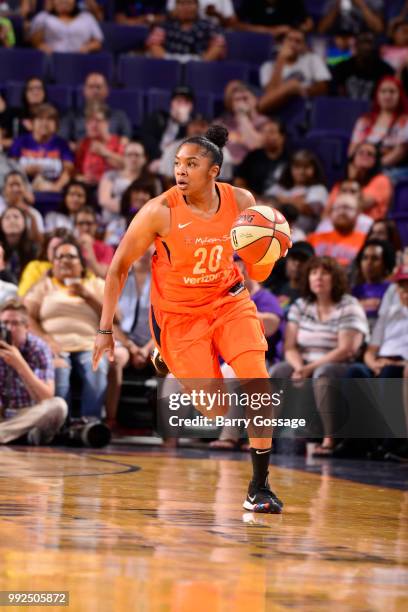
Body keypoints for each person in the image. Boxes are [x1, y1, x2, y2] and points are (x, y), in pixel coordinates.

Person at [93, 125, 292, 514]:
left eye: (191, 164)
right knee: (216, 410)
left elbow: (261, 274)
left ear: (213, 171)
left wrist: (268, 249)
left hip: (229, 301)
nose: (180, 171)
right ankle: (166, 356)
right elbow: (117, 268)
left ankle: (258, 486)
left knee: (257, 380)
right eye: (177, 164)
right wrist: (104, 330)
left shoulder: (242, 202)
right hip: (179, 317)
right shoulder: (159, 211)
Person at [270, 256, 368, 457]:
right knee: (278, 371)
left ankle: (329, 438)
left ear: (336, 278)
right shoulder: (301, 305)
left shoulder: (349, 305)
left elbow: (346, 349)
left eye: (324, 273)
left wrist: (309, 368)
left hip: (336, 363)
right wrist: (299, 367)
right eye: (314, 273)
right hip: (303, 361)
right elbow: (290, 346)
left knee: (323, 373)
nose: (318, 277)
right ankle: (264, 436)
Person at [24, 239, 108, 420]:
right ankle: (59, 424)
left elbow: (114, 316)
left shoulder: (95, 284)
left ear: (81, 263)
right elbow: (28, 317)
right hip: (55, 345)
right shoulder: (44, 285)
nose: (65, 260)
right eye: (59, 256)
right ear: (53, 264)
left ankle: (90, 423)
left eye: (71, 256)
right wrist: (46, 339)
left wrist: (87, 295)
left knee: (98, 368)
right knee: (59, 371)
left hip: (89, 344)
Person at [0, 299, 68, 445]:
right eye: (4, 323)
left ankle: (6, 434)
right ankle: (18, 436)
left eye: (15, 323)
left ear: (26, 327)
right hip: (3, 413)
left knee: (58, 406)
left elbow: (46, 396)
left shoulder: (38, 348)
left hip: (29, 414)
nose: (9, 328)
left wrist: (20, 365)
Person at [105, 246, 155, 428]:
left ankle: (166, 427)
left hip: (153, 342)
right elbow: (110, 320)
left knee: (166, 363)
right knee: (115, 359)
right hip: (123, 340)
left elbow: (165, 322)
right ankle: (110, 418)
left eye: (150, 249)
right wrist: (131, 347)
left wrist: (146, 348)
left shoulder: (164, 280)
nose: (144, 253)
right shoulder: (118, 278)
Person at [259, 27, 331, 115]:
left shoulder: (312, 59)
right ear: (282, 43)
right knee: (292, 85)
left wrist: (301, 91)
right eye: (289, 40)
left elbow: (323, 88)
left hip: (304, 108)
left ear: (303, 46)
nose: (293, 44)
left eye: (298, 41)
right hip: (276, 110)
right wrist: (281, 60)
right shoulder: (267, 66)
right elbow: (269, 95)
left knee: (293, 85)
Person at [349, 76, 408, 177]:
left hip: (391, 169)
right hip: (363, 167)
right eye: (383, 91)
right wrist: (358, 165)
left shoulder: (405, 121)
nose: (387, 96)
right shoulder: (364, 120)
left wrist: (374, 167)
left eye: (392, 91)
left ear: (400, 95)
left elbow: (400, 152)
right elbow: (352, 150)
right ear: (377, 95)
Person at [9, 104, 74, 193]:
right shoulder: (20, 142)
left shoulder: (62, 144)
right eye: (40, 119)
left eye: (50, 119)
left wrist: (56, 187)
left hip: (53, 189)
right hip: (23, 189)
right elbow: (10, 168)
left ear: (56, 125)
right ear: (32, 123)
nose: (44, 123)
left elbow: (68, 170)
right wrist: (24, 170)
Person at [323, 142, 393, 221]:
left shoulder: (381, 180)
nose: (365, 156)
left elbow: (361, 205)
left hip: (369, 228)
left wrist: (352, 179)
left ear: (375, 161)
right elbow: (327, 211)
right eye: (361, 152)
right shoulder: (340, 183)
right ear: (353, 158)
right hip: (337, 225)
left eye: (370, 154)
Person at [59, 72, 132, 145]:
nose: (95, 91)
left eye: (99, 87)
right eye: (91, 87)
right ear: (84, 91)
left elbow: (125, 141)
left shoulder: (120, 116)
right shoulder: (71, 116)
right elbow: (62, 141)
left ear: (107, 91)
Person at [266, 150, 328, 234]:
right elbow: (265, 204)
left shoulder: (318, 189)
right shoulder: (279, 187)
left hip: (303, 235)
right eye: (297, 167)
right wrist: (295, 202)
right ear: (290, 169)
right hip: (273, 231)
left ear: (315, 169)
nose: (301, 171)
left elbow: (310, 210)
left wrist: (280, 200)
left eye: (306, 167)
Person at [146, 0, 226, 62]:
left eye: (189, 3)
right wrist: (170, 60)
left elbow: (218, 46)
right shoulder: (165, 25)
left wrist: (200, 62)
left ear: (197, 6)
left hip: (200, 70)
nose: (185, 7)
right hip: (169, 69)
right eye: (181, 3)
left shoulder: (209, 26)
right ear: (176, 7)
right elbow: (154, 44)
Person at [216, 81, 268, 166]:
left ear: (255, 100)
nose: (241, 103)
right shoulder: (221, 123)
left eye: (245, 98)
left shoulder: (264, 122)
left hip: (251, 169)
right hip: (225, 170)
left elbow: (256, 147)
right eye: (237, 100)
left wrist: (242, 116)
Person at [98, 141, 154, 221]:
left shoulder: (150, 179)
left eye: (137, 155)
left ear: (144, 158)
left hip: (141, 222)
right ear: (123, 157)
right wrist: (130, 210)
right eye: (129, 155)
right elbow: (104, 200)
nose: (133, 158)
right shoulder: (110, 175)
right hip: (112, 221)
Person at [308, 193, 367, 267]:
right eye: (337, 208)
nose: (342, 212)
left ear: (358, 213)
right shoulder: (312, 238)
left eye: (347, 208)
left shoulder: (366, 241)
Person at [331, 31, 394, 100]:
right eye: (362, 42)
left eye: (369, 43)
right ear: (356, 46)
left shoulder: (386, 70)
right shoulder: (341, 67)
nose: (366, 47)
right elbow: (338, 94)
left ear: (375, 46)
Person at [234, 118, 289, 196]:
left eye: (271, 132)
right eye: (264, 132)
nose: (266, 136)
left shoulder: (290, 159)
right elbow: (238, 182)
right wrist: (253, 198)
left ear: (282, 137)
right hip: (254, 202)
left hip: (281, 202)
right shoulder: (253, 156)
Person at [141, 86, 195, 163]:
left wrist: (183, 124)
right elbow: (147, 138)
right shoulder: (158, 117)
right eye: (178, 101)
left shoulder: (194, 126)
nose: (181, 106)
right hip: (154, 161)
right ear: (171, 103)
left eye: (186, 102)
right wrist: (158, 158)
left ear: (191, 106)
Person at [75, 103, 125, 186]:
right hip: (87, 187)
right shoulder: (83, 143)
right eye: (89, 121)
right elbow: (76, 172)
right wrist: (83, 177)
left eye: (98, 120)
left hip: (111, 187)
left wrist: (105, 153)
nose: (93, 125)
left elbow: (126, 166)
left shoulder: (119, 142)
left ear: (107, 123)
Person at [351, 238, 395, 330]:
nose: (369, 263)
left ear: (386, 263)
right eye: (365, 258)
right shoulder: (353, 291)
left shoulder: (393, 290)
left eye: (375, 259)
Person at [30, 0, 103, 54]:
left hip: (80, 58)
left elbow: (98, 42)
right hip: (53, 60)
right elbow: (34, 41)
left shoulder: (87, 17)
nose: (63, 1)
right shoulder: (44, 17)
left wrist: (87, 47)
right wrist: (42, 46)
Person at [18, 228, 73, 297]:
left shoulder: (79, 269)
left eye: (63, 248)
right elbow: (22, 297)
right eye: (55, 248)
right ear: (46, 251)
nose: (59, 253)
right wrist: (44, 278)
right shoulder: (35, 267)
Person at [104, 176, 158, 247]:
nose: (140, 196)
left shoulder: (158, 225)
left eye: (145, 192)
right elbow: (108, 248)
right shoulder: (116, 225)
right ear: (129, 195)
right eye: (137, 191)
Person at [273, 241, 315, 313]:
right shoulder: (273, 287)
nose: (297, 264)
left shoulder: (314, 294)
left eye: (303, 260)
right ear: (286, 261)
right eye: (293, 258)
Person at [0, 207, 39, 283]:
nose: (12, 221)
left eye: (16, 217)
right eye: (7, 217)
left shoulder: (34, 249)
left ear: (25, 223)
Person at [0, 171, 43, 240]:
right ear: (4, 189)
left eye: (18, 185)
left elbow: (39, 242)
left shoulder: (34, 214)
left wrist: (32, 219)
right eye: (11, 185)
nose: (15, 189)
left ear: (25, 188)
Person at [73, 206, 113, 278]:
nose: (85, 228)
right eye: (81, 223)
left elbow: (102, 274)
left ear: (96, 225)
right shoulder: (70, 247)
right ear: (76, 226)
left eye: (89, 223)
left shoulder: (107, 249)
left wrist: (89, 249)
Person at [237, 0, 312, 36]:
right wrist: (260, 30)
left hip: (284, 40)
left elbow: (308, 24)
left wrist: (290, 30)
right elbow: (234, 24)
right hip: (256, 38)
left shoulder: (294, 2)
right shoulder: (251, 1)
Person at [318, 0, 384, 35]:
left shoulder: (373, 1)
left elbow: (379, 28)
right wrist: (336, 7)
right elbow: (321, 29)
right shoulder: (333, 1)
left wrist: (362, 6)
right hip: (339, 39)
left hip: (363, 38)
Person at [167, 0, 236, 27]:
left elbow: (232, 23)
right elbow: (170, 14)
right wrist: (186, 11)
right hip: (178, 29)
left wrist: (216, 14)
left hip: (210, 31)